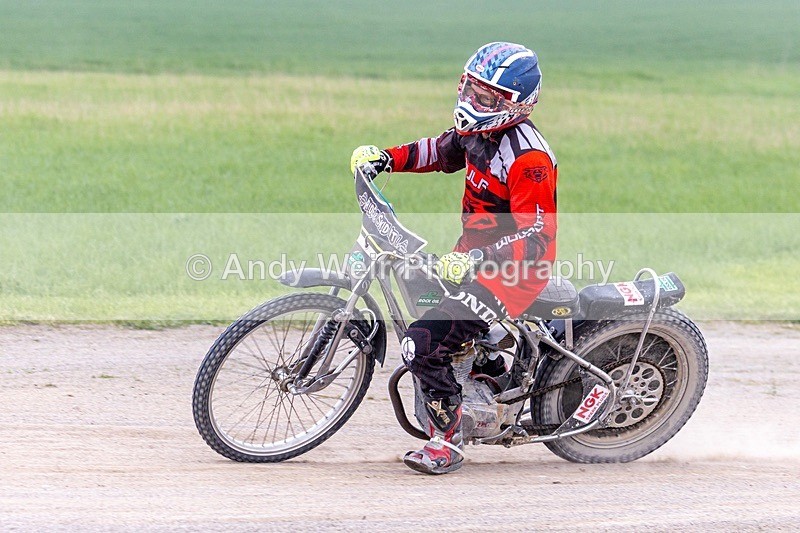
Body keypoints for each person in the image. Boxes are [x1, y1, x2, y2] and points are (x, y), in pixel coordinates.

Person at [350, 42, 558, 475]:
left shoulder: (529, 159)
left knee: (420, 344)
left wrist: (478, 258)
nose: (470, 101)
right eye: (469, 88)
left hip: (512, 276)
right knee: (423, 298)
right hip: (472, 259)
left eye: (484, 97)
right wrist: (384, 158)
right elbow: (438, 152)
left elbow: (537, 236)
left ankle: (446, 441)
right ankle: (486, 368)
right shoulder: (478, 134)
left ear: (514, 105)